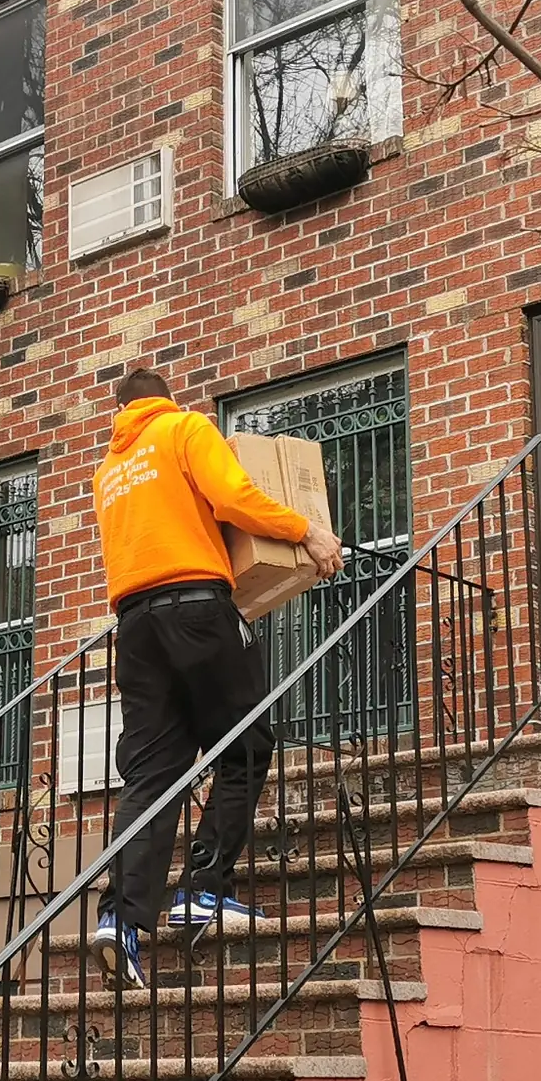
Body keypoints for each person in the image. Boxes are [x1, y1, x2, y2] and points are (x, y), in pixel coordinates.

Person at [87, 367, 344, 989]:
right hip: (198, 607)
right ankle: (203, 887)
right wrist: (305, 530)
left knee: (154, 771)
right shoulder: (185, 429)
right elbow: (232, 498)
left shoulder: (108, 472)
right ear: (167, 399)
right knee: (247, 746)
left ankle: (119, 917)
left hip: (136, 625)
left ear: (121, 411)